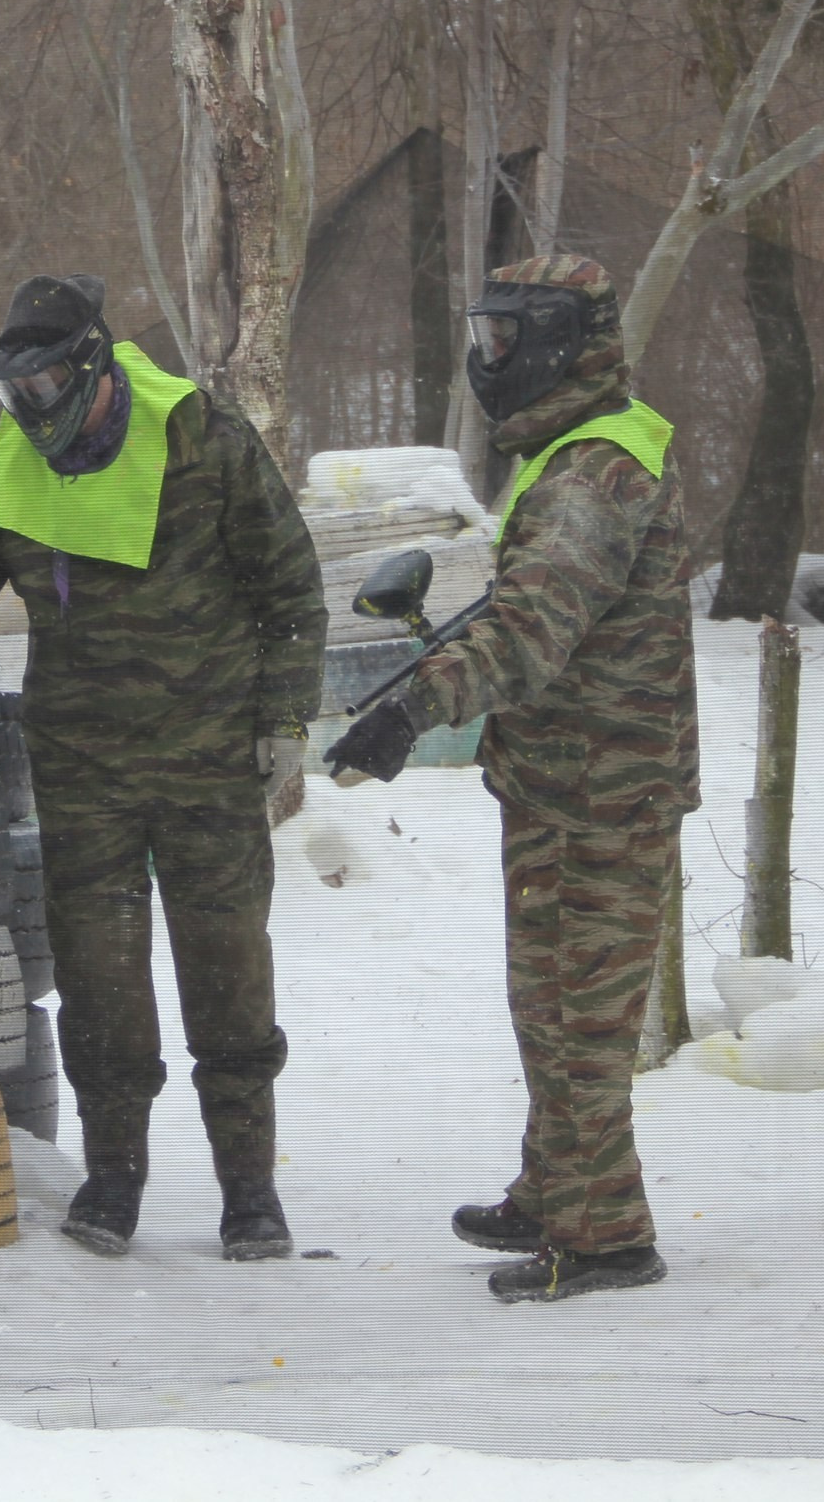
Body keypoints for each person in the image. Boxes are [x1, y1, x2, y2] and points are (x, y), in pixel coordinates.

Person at [0, 274, 327, 1262]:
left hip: (210, 755)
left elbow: (289, 585)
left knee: (228, 973)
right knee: (101, 980)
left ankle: (250, 1190)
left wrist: (283, 720)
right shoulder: (3, 464)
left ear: (94, 364)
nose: (30, 408)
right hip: (81, 759)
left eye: (45, 385)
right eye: (13, 391)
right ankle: (114, 1180)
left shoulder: (201, 437)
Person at [325, 254, 700, 1304]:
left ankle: (606, 1236)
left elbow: (533, 631)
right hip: (569, 782)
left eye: (503, 340)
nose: (490, 360)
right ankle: (555, 1190)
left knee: (580, 1014)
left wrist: (412, 707)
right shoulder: (572, 455)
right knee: (549, 1003)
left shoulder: (591, 475)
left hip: (599, 792)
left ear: (555, 344)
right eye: (480, 338)